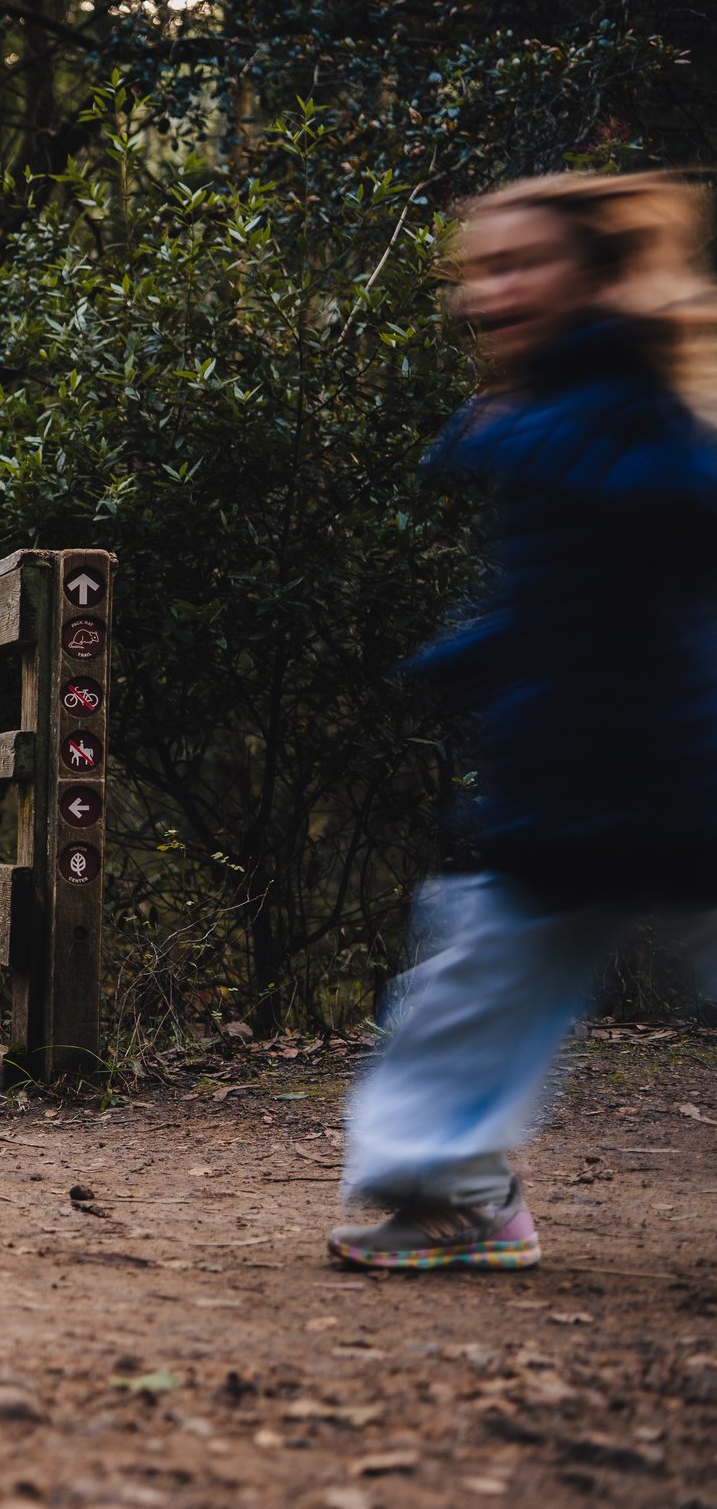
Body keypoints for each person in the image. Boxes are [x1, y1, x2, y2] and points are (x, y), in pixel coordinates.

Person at [331, 171, 717, 1270]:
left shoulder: (633, 401)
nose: (482, 291)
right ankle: (457, 1201)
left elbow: (686, 502)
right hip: (561, 781)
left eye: (514, 263)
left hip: (675, 774)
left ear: (594, 277)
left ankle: (457, 1194)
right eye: (474, 270)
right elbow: (558, 601)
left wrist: (519, 441)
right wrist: (468, 657)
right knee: (467, 991)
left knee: (472, 981)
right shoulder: (545, 412)